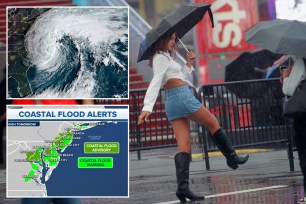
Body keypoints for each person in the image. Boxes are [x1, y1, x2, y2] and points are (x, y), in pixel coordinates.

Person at [137, 29, 249, 202]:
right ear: (162, 39)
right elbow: (156, 81)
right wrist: (147, 107)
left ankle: (183, 188)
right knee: (212, 122)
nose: (174, 42)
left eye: (175, 39)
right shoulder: (160, 57)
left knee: (184, 145)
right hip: (181, 97)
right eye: (171, 39)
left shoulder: (166, 57)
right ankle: (231, 157)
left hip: (174, 100)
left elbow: (179, 77)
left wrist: (188, 63)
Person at [280, 56, 306, 203]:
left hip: (303, 117)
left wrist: (286, 77)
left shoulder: (301, 62)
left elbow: (288, 89)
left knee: (304, 155)